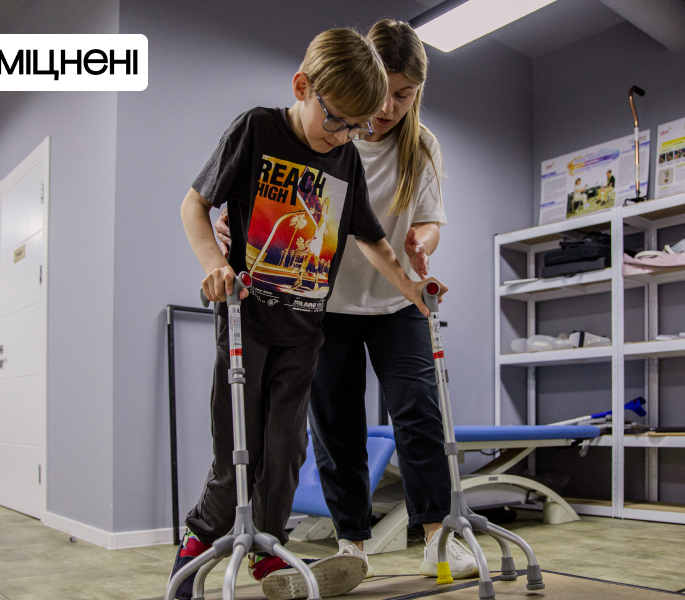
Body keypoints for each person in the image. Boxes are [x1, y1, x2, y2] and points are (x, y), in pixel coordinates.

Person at [172, 27, 447, 600]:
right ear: (302, 87)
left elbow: (374, 240)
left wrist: (411, 286)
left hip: (305, 330)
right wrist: (214, 264)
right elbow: (196, 204)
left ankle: (268, 549)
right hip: (248, 322)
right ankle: (199, 540)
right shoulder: (257, 128)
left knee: (287, 449)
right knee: (237, 449)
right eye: (338, 121)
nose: (345, 135)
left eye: (355, 126)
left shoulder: (345, 155)